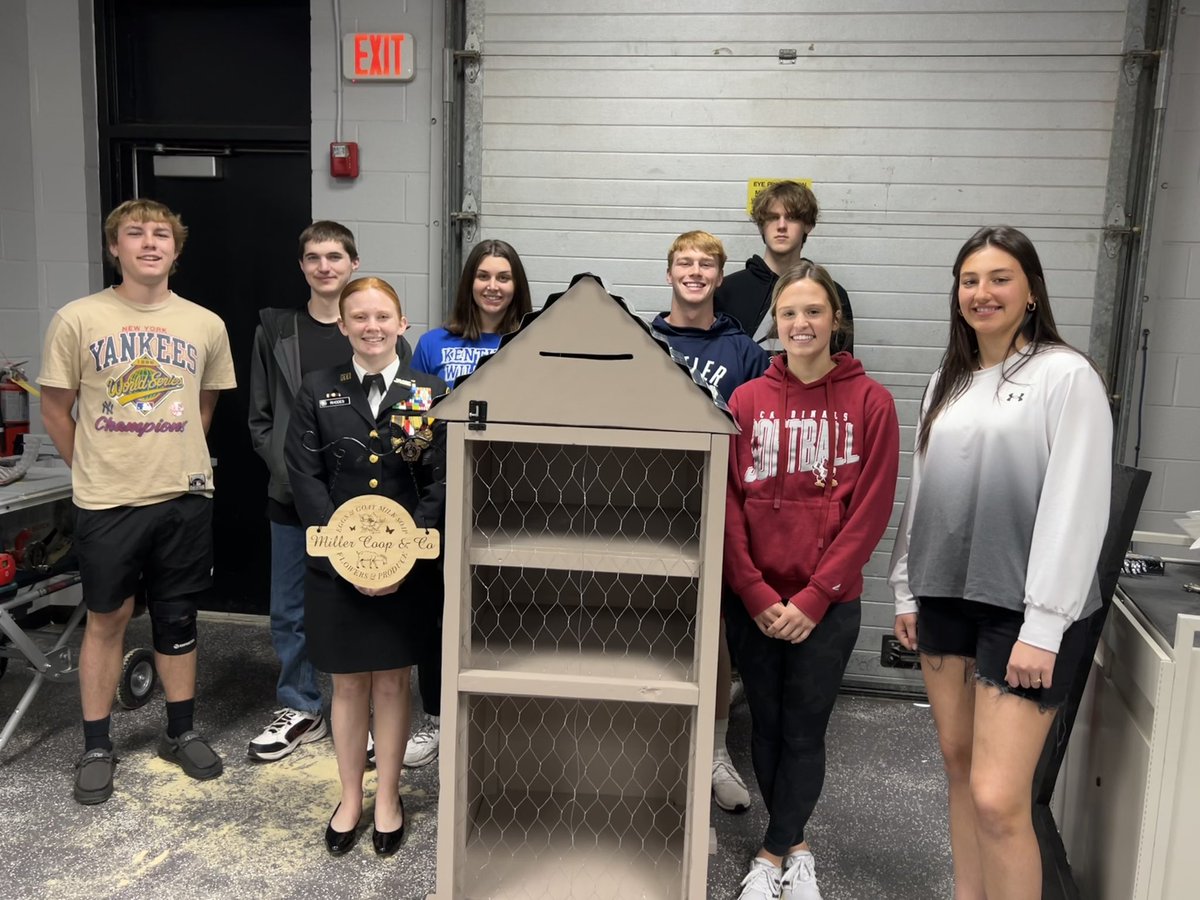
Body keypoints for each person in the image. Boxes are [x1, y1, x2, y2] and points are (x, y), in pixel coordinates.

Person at [889, 226, 1111, 900]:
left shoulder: (1064, 375)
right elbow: (923, 492)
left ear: (1032, 292)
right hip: (945, 599)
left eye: (999, 278)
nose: (982, 292)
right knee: (960, 771)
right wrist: (906, 587)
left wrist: (1043, 626)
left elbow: (1077, 504)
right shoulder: (948, 381)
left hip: (1025, 612)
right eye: (970, 280)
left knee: (997, 797)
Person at [38, 198, 237, 805]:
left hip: (183, 496)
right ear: (114, 247)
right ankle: (98, 744)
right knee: (107, 619)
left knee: (178, 618)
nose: (149, 243)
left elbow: (206, 407)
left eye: (161, 235)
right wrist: (93, 467)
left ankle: (180, 731)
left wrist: (174, 457)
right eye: (135, 234)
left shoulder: (205, 324)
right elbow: (54, 408)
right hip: (107, 501)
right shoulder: (78, 318)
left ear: (176, 250)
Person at [724, 261, 899, 899]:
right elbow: (728, 508)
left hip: (828, 606)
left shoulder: (871, 402)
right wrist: (755, 592)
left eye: (814, 312)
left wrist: (816, 595)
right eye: (790, 312)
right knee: (765, 725)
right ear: (778, 320)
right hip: (756, 604)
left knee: (804, 728)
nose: (801, 324)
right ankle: (794, 845)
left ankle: (773, 855)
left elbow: (871, 511)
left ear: (836, 320)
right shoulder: (745, 401)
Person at [285, 276, 446, 856]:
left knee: (394, 681)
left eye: (383, 317)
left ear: (403, 324)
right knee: (348, 684)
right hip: (337, 567)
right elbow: (304, 477)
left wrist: (403, 552)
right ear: (342, 324)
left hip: (408, 568)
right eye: (360, 317)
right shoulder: (316, 390)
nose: (372, 327)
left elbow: (438, 481)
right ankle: (350, 795)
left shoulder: (427, 392)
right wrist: (346, 553)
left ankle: (389, 797)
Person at [247, 220, 412, 763]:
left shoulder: (386, 336)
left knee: (365, 606)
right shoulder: (277, 329)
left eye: (336, 256)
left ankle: (365, 718)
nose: (325, 266)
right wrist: (301, 480)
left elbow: (403, 429)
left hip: (368, 510)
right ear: (302, 266)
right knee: (290, 608)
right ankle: (299, 704)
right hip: (294, 500)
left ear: (353, 263)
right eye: (314, 257)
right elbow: (262, 420)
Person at [650, 230, 770, 815]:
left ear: (720, 278)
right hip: (646, 505)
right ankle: (650, 746)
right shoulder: (643, 340)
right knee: (650, 620)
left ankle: (715, 752)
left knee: (714, 633)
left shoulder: (745, 352)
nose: (694, 272)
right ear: (669, 272)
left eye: (705, 265)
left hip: (717, 505)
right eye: (684, 263)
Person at [404, 239, 532, 768]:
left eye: (504, 277)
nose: (494, 286)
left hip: (515, 497)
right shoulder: (433, 344)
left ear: (517, 285)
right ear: (469, 283)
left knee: (503, 608)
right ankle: (434, 717)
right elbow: (410, 428)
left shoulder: (532, 340)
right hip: (443, 497)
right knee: (436, 613)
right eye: (484, 276)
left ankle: (499, 713)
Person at [716, 180, 854, 356]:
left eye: (792, 217)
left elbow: (844, 368)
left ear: (808, 225)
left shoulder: (832, 292)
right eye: (772, 217)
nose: (781, 226)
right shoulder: (725, 291)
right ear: (761, 226)